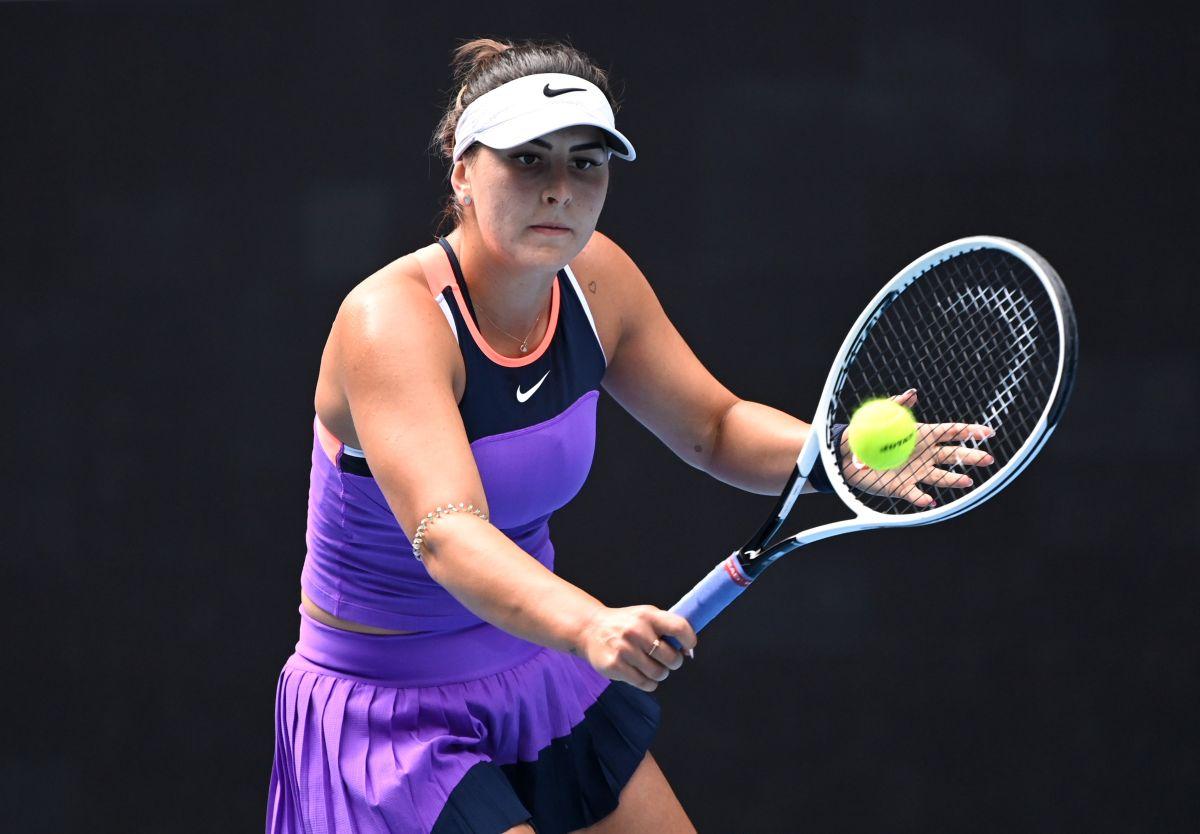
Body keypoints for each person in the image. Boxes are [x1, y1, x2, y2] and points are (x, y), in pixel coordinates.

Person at [266, 37, 992, 834]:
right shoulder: (390, 321)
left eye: (586, 164)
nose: (559, 190)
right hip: (391, 713)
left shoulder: (597, 281)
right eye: (528, 160)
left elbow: (714, 428)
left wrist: (831, 454)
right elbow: (445, 534)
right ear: (462, 170)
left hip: (532, 672)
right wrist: (588, 624)